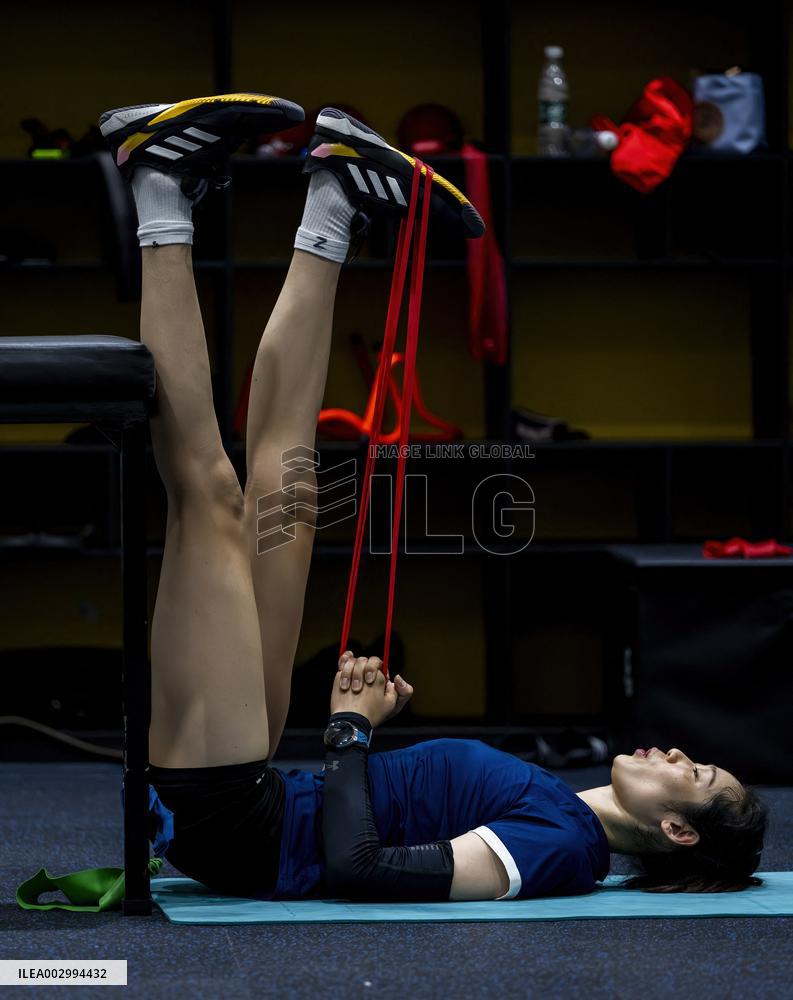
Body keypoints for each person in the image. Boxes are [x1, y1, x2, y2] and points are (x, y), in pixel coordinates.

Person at [99, 93, 767, 903]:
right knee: (293, 485)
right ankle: (334, 200)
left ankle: (159, 178)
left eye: (694, 775)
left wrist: (349, 730)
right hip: (261, 788)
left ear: (678, 831)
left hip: (235, 821)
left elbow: (361, 868)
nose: (675, 755)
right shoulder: (561, 809)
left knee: (208, 496)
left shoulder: (563, 850)